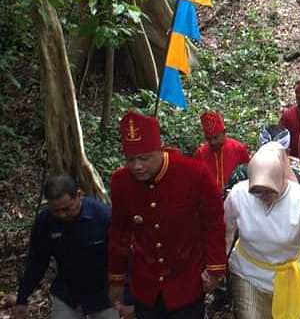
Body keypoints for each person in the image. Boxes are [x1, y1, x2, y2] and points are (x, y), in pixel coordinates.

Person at [108, 111, 226, 318]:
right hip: (146, 284)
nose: (137, 166)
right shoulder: (120, 182)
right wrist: (116, 278)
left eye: (144, 158)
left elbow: (214, 222)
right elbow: (120, 231)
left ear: (159, 150)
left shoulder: (194, 174)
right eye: (130, 159)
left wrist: (215, 268)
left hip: (186, 281)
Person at [224, 143, 300, 319]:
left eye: (269, 193)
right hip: (248, 273)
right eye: (258, 193)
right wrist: (216, 267)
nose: (264, 198)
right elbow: (226, 232)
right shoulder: (239, 194)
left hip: (286, 278)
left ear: (282, 180)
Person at [14, 175, 118, 319]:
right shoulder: (45, 222)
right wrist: (22, 298)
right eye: (56, 211)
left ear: (79, 195)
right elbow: (37, 262)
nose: (62, 215)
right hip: (68, 293)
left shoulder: (103, 216)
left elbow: (123, 257)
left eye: (67, 208)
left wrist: (126, 294)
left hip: (103, 293)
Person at [194, 111, 251, 191]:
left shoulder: (238, 148)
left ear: (224, 132)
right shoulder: (200, 153)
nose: (212, 142)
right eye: (208, 139)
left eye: (215, 138)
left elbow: (248, 176)